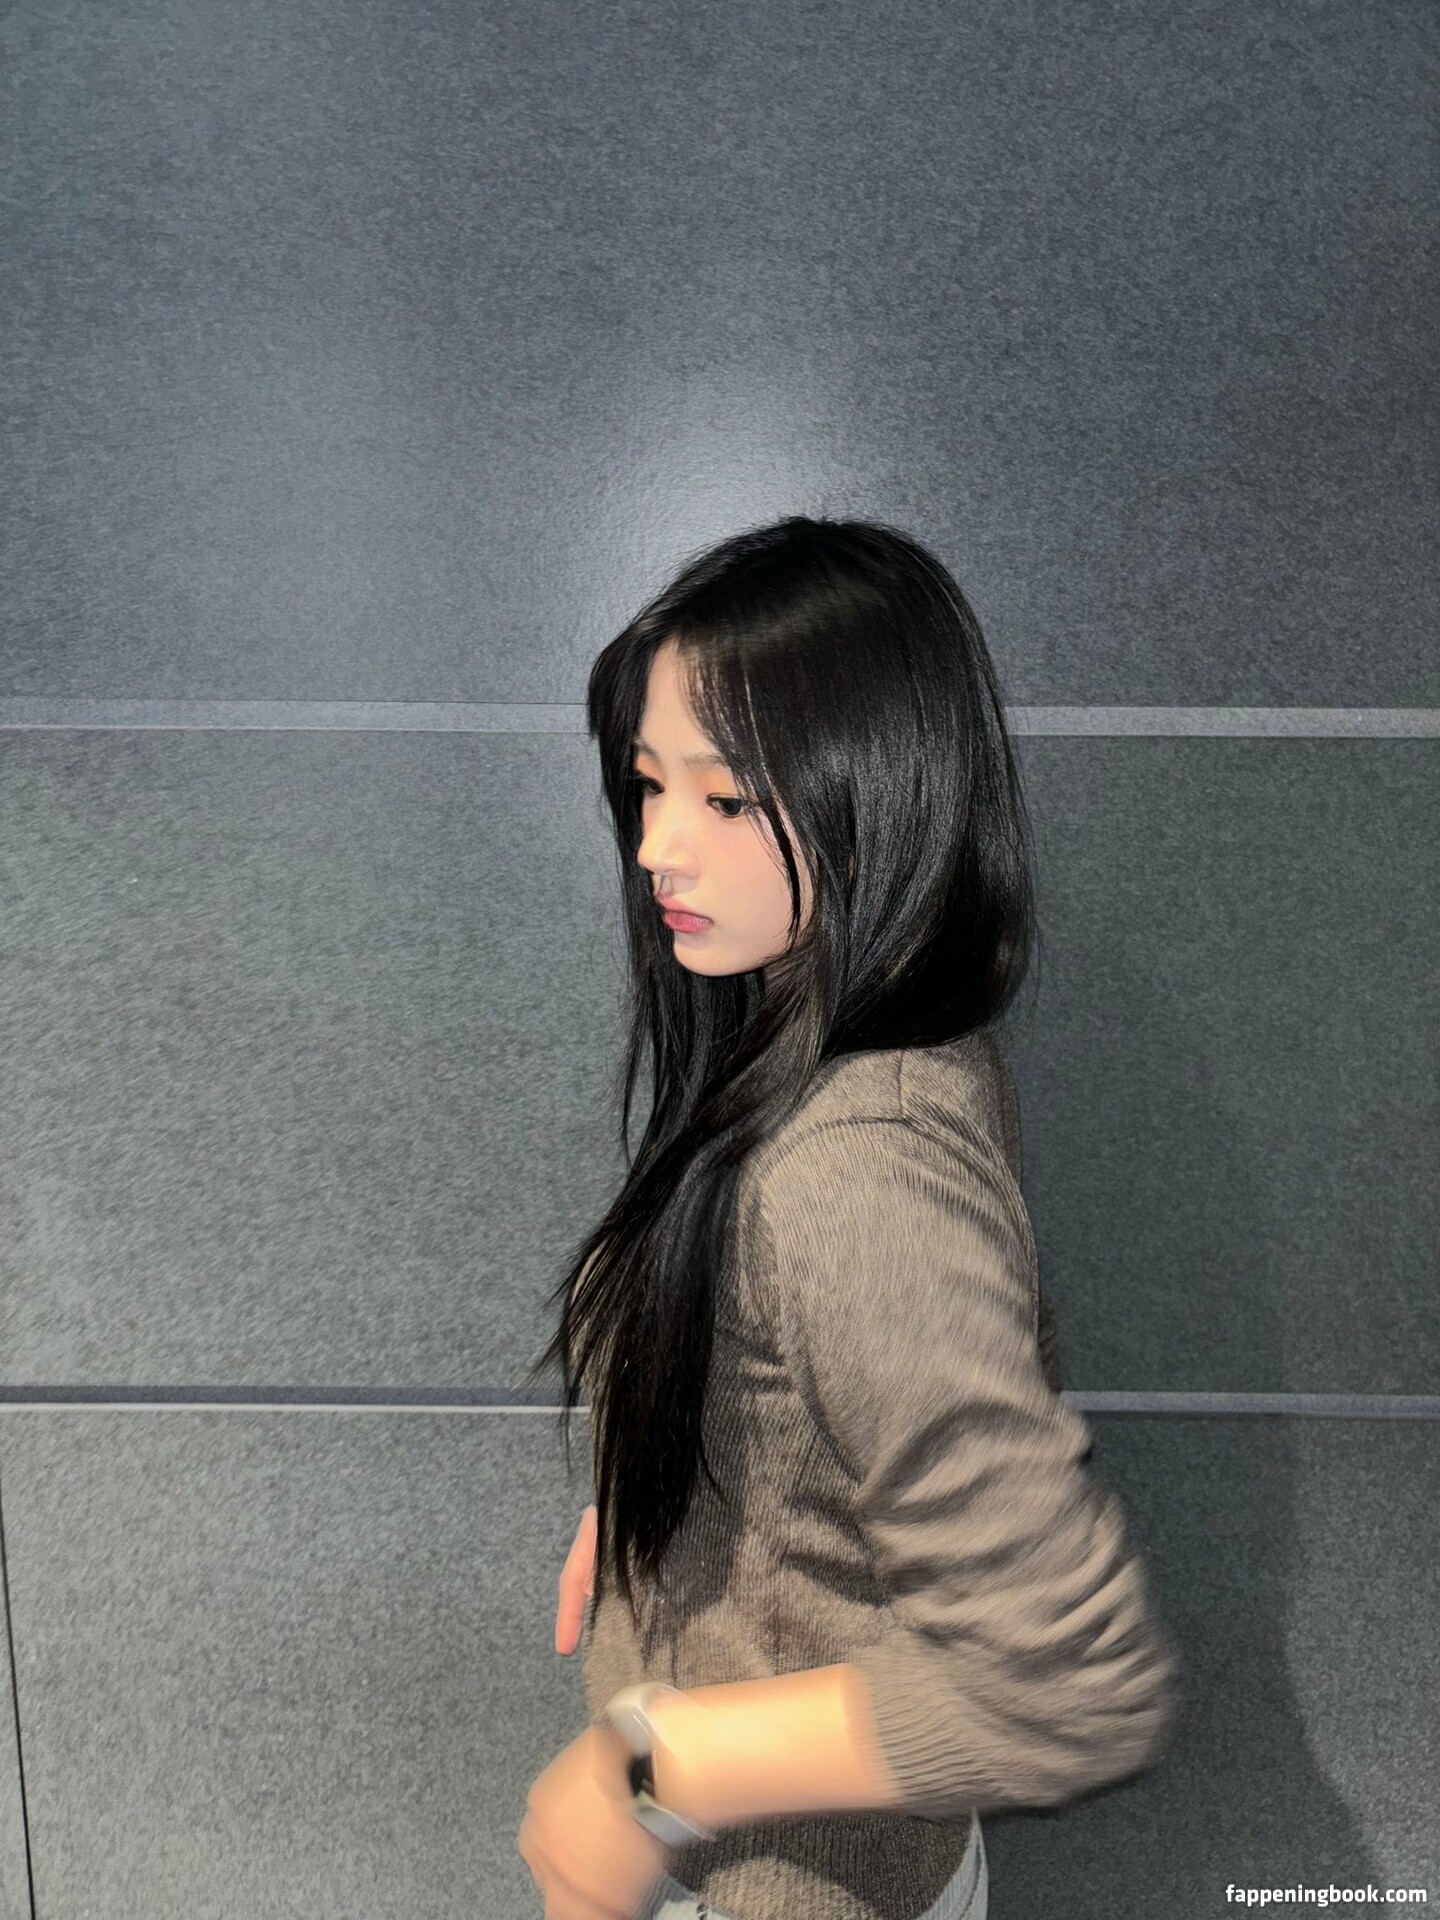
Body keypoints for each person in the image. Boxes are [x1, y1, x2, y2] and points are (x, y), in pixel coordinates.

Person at [518, 517, 1179, 1920]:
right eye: (648, 786)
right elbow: (817, 1391)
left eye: (724, 799)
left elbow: (1056, 1680)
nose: (656, 849)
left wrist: (649, 1771)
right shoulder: (851, 1032)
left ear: (873, 788)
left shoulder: (856, 1170)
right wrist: (674, 1491)